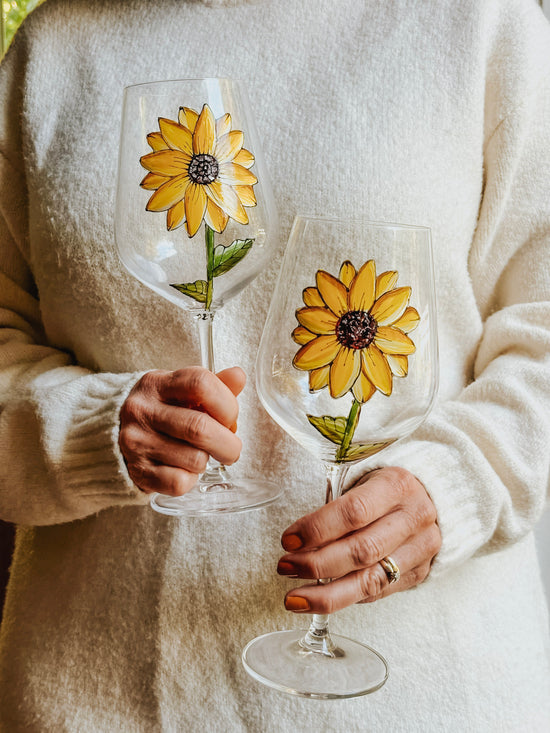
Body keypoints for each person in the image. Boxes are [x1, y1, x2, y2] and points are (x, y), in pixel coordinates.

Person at [0, 0, 549, 730]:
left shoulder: (481, 22)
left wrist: (457, 483)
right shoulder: (50, 50)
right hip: (93, 702)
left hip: (426, 701)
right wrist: (87, 429)